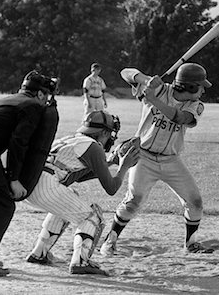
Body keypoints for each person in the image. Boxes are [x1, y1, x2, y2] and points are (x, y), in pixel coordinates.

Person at [100, 63, 214, 257]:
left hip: (171, 160)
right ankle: (110, 241)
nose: (203, 90)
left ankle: (191, 243)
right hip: (143, 156)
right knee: (134, 201)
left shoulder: (196, 105)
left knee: (195, 202)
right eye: (200, 86)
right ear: (190, 87)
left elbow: (179, 118)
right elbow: (125, 73)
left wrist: (152, 99)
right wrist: (146, 81)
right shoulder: (159, 89)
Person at [0, 71, 59, 277]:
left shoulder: (12, 99)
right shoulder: (32, 106)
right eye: (46, 95)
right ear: (40, 94)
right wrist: (14, 178)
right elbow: (19, 143)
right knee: (4, 204)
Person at [24, 110, 139, 276]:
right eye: (110, 134)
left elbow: (77, 176)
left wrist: (111, 162)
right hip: (46, 185)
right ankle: (80, 262)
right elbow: (112, 188)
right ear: (105, 132)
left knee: (69, 199)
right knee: (93, 217)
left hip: (31, 183)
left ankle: (39, 253)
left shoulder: (72, 140)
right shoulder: (93, 148)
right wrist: (124, 167)